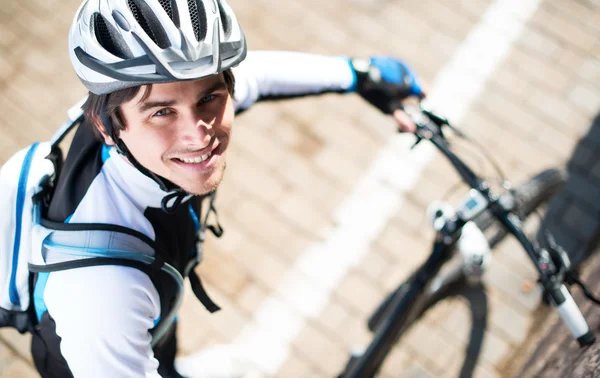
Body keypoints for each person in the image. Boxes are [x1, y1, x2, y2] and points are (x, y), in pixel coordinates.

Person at [30, 0, 425, 377]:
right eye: (163, 112)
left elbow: (258, 75)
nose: (198, 135)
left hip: (150, 320)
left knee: (161, 342)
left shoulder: (134, 128)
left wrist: (358, 73)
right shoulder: (104, 297)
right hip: (94, 359)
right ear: (107, 128)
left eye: (209, 98)